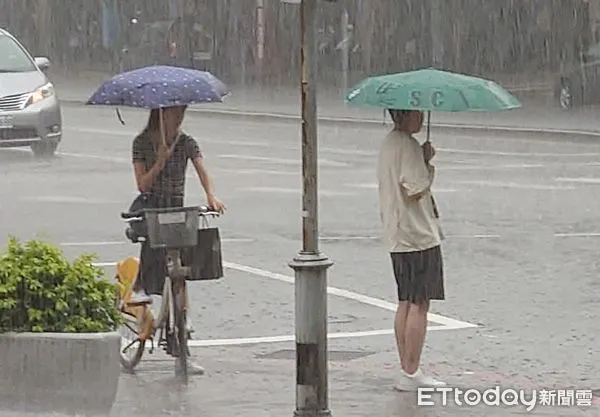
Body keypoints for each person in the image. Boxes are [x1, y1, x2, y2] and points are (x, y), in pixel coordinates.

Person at [128, 105, 225, 375]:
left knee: (181, 274)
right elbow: (142, 184)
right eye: (174, 112)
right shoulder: (142, 143)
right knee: (152, 264)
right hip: (153, 211)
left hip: (178, 212)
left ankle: (182, 344)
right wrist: (159, 161)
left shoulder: (186, 141)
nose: (179, 117)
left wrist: (211, 197)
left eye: (182, 113)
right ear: (161, 113)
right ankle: (139, 291)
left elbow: (201, 169)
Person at [377, 109, 447, 391]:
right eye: (417, 113)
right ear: (405, 115)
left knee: (406, 300)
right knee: (420, 301)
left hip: (397, 233)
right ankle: (411, 370)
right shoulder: (407, 146)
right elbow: (415, 188)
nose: (421, 119)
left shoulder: (390, 142)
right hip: (416, 234)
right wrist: (426, 162)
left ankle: (407, 367)